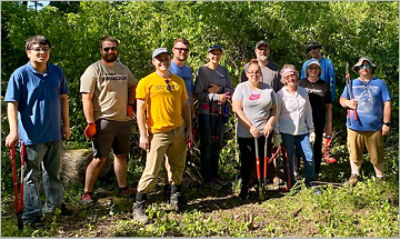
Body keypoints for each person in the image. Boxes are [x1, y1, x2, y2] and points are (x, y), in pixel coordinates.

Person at [4, 35, 71, 226]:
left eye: (45, 49)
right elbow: (12, 104)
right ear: (28, 52)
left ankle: (55, 206)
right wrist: (13, 131)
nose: (42, 52)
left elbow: (64, 99)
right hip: (30, 136)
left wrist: (65, 126)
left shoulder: (56, 72)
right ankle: (32, 216)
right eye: (37, 49)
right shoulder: (20, 74)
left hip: (54, 133)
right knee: (30, 178)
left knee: (53, 173)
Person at [133, 48, 192, 224]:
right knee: (151, 171)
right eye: (159, 59)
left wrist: (189, 129)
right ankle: (139, 205)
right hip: (157, 133)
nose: (163, 62)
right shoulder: (146, 82)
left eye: (166, 59)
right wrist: (143, 134)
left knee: (177, 167)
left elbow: (185, 106)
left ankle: (175, 199)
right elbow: (140, 110)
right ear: (153, 62)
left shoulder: (178, 81)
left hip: (178, 130)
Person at [80, 36, 137, 204]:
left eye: (113, 48)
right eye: (107, 49)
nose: (110, 51)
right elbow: (86, 99)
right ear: (101, 50)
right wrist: (90, 123)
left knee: (121, 156)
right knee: (100, 158)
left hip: (123, 120)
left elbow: (133, 85)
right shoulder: (94, 70)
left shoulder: (123, 69)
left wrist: (130, 104)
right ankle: (87, 192)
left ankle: (123, 187)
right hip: (103, 120)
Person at [339, 56, 391, 186]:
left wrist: (386, 123)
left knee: (377, 155)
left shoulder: (380, 84)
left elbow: (387, 104)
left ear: (371, 68)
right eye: (362, 66)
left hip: (374, 128)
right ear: (358, 69)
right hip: (354, 126)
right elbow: (342, 100)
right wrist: (348, 103)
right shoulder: (352, 84)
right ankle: (354, 176)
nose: (365, 68)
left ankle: (380, 179)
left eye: (367, 66)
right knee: (354, 153)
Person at [232, 59, 278, 199]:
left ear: (261, 73)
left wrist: (270, 124)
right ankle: (245, 188)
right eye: (251, 72)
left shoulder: (268, 89)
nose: (254, 74)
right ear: (247, 73)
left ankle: (261, 186)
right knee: (247, 161)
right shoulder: (241, 88)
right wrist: (250, 126)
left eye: (257, 72)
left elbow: (275, 109)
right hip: (246, 132)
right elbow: (237, 109)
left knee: (264, 160)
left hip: (264, 132)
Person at [240, 40, 283, 185]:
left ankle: (273, 173)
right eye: (260, 49)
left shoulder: (275, 68)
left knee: (272, 144)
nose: (262, 51)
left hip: (271, 111)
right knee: (252, 148)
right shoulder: (248, 68)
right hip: (252, 113)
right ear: (255, 51)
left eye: (265, 49)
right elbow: (243, 89)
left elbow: (280, 90)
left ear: (269, 51)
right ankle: (254, 175)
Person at [194, 44, 234, 189]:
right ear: (208, 55)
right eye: (213, 54)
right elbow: (198, 93)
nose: (215, 56)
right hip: (206, 113)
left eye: (218, 54)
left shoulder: (223, 71)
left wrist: (221, 90)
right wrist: (216, 96)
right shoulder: (203, 70)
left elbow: (230, 90)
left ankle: (216, 176)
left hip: (221, 113)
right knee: (207, 145)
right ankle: (207, 178)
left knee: (217, 145)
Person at [161, 38, 195, 200]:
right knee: (168, 153)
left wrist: (192, 114)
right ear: (173, 50)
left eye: (185, 49)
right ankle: (168, 187)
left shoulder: (187, 70)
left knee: (179, 153)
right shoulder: (168, 68)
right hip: (170, 117)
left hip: (185, 116)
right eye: (179, 49)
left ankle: (175, 185)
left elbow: (190, 94)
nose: (182, 52)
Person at [274, 64, 316, 187]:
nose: (290, 78)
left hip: (302, 131)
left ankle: (310, 182)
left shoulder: (303, 92)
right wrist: (276, 133)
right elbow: (276, 115)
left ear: (296, 76)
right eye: (287, 77)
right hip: (286, 131)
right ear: (284, 79)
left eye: (292, 75)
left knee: (309, 156)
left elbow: (308, 111)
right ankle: (291, 184)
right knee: (289, 160)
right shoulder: (280, 94)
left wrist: (311, 129)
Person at [298, 59, 333, 178]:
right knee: (299, 145)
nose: (313, 70)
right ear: (307, 70)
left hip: (318, 120)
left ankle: (315, 171)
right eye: (311, 68)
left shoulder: (324, 85)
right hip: (301, 121)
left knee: (316, 146)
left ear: (320, 71)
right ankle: (298, 171)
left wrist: (329, 124)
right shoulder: (300, 83)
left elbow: (328, 107)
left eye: (316, 68)